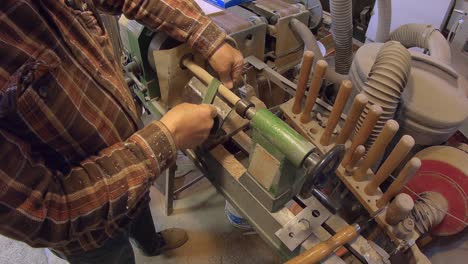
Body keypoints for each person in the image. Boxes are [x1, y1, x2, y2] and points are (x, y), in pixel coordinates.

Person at [0, 0, 244, 263]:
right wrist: (164, 139)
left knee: (140, 210)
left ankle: (151, 243)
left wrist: (206, 36)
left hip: (134, 169)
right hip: (92, 233)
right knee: (116, 256)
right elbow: (46, 212)